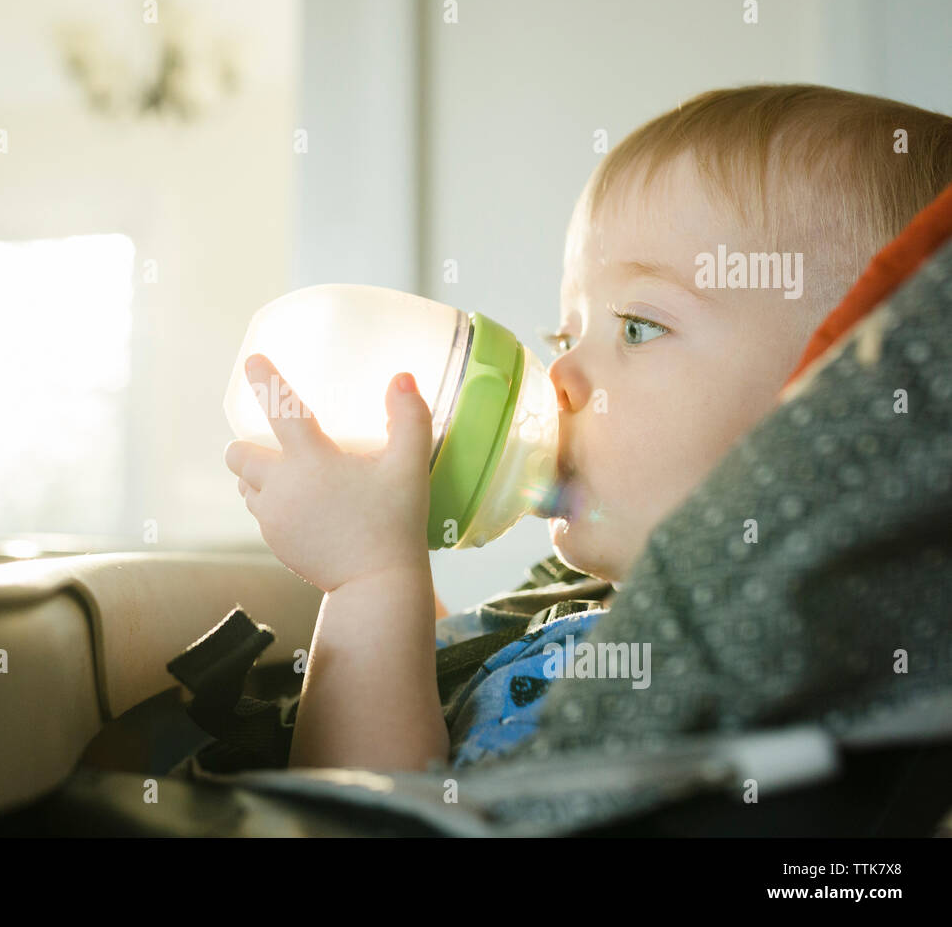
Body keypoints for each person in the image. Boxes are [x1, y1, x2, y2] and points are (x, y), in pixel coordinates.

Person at [223, 83, 952, 772]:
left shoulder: (695, 680)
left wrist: (368, 582)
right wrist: (400, 574)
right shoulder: (593, 612)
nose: (559, 375)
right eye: (565, 332)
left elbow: (378, 816)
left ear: (823, 409)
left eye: (637, 326)